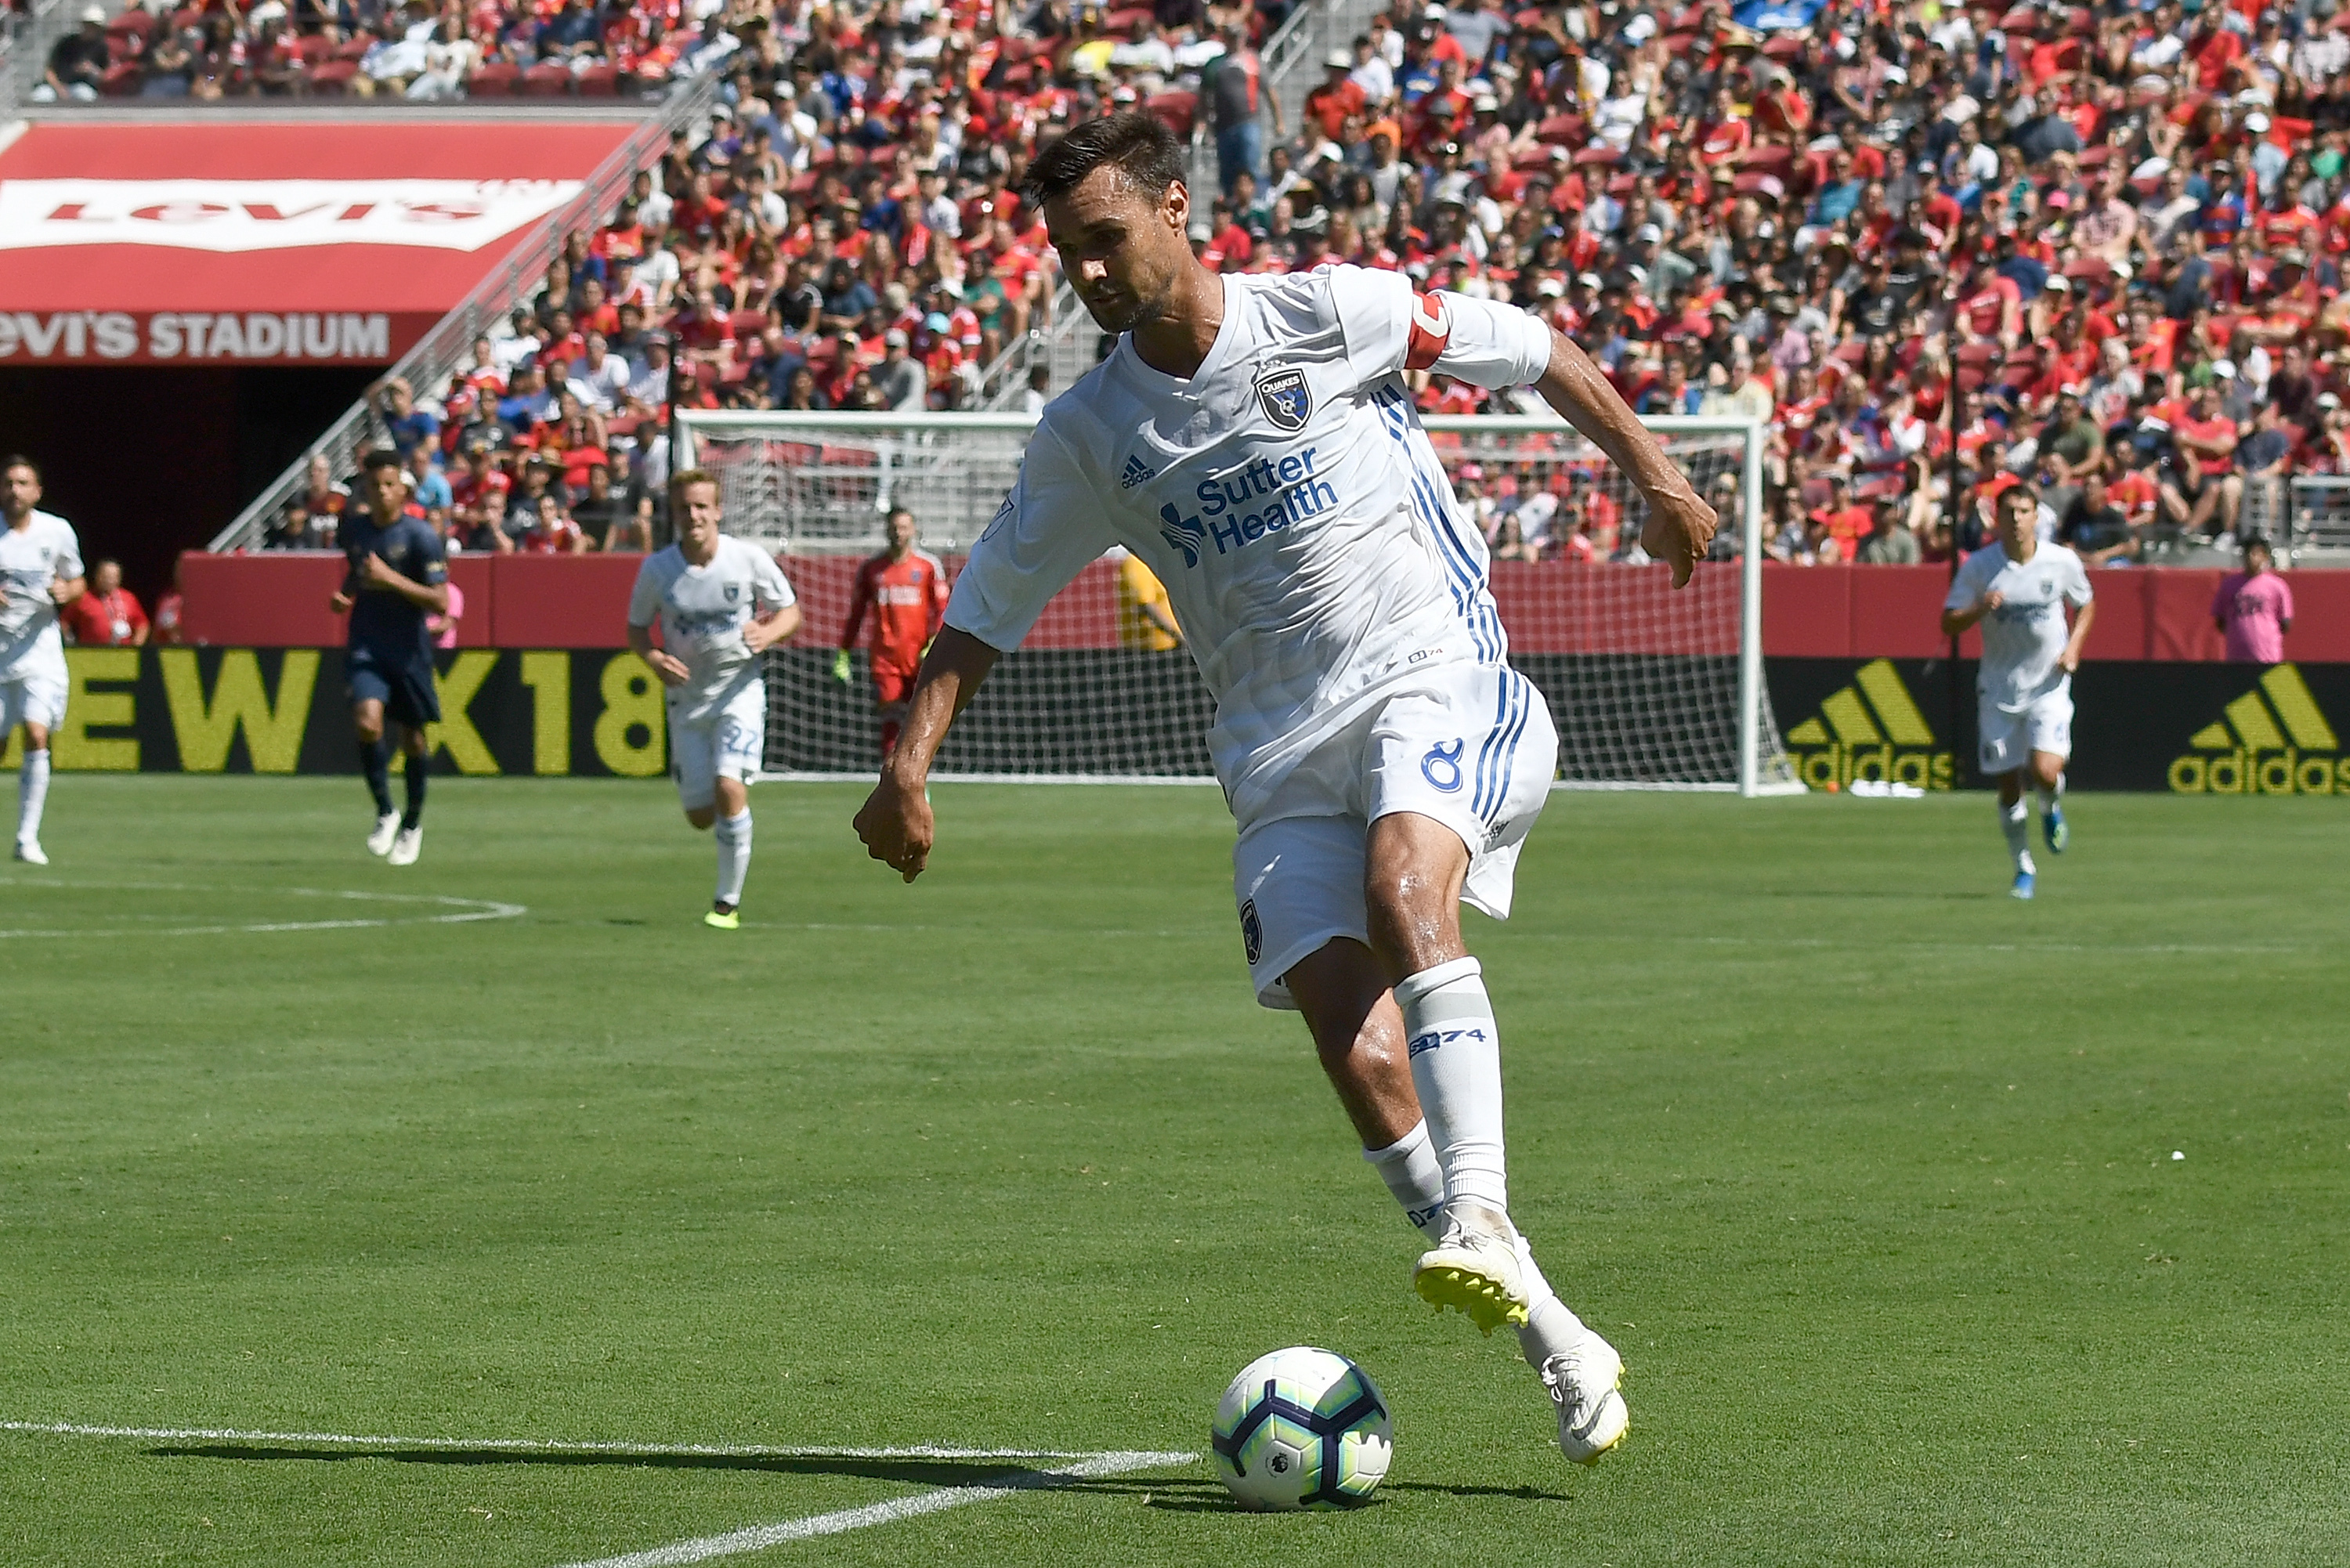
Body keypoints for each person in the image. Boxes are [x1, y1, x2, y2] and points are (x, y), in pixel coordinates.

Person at [852, 114, 1719, 1466]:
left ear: (1175, 209)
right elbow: (987, 602)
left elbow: (1535, 347)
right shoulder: (1090, 432)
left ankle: (1481, 1211)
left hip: (1435, 674)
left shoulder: (1331, 315)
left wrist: (1655, 472)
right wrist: (909, 757)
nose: (1085, 274)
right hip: (1276, 752)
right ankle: (1562, 1338)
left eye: (1105, 239)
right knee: (1357, 1049)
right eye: (1065, 252)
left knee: (1404, 887)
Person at [626, 470, 800, 929]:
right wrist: (654, 658)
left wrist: (768, 630)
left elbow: (790, 611)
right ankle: (726, 887)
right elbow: (636, 629)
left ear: (718, 510)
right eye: (685, 508)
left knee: (730, 785)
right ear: (675, 515)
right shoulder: (658, 570)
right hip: (687, 702)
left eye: (702, 506)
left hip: (738, 692)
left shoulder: (747, 559)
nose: (694, 515)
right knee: (700, 815)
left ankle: (727, 903)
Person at [1941, 482, 2096, 901]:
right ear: (1997, 517)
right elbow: (1948, 623)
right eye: (2008, 511)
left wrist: (2074, 648)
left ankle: (2050, 808)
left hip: (2048, 684)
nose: (2016, 520)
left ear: (2035, 516)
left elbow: (2086, 603)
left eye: (2023, 511)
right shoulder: (1979, 567)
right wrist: (1979, 609)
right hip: (1998, 688)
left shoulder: (2059, 561)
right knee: (2008, 785)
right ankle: (2023, 868)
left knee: (2045, 771)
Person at [331, 449, 450, 867]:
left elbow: (439, 600)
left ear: (403, 489)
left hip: (409, 649)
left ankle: (413, 823)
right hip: (367, 642)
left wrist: (390, 579)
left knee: (413, 739)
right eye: (373, 486)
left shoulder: (421, 537)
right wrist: (346, 594)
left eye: (389, 485)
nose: (381, 493)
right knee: (367, 721)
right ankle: (385, 810)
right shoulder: (354, 530)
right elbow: (357, 570)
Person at [1, 457, 85, 865]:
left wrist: (68, 592)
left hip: (39, 651)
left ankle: (26, 838)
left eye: (22, 483)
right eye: (8, 483)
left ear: (37, 491)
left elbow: (77, 580)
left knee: (37, 734)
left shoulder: (56, 531)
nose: (14, 490)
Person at [833, 508, 950, 758]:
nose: (899, 533)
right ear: (886, 530)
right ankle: (893, 782)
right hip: (885, 658)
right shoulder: (872, 569)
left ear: (913, 530)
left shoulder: (928, 566)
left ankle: (914, 781)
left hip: (919, 656)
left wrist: (935, 641)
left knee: (918, 722)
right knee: (891, 719)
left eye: (904, 527)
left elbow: (943, 610)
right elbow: (857, 614)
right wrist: (844, 653)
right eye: (894, 527)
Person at [2212, 537, 2294, 665]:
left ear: (2265, 557)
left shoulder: (2277, 586)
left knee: (2280, 684)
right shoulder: (2229, 585)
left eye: (2256, 553)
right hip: (2237, 656)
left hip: (2269, 656)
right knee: (2240, 685)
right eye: (2247, 553)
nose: (2251, 557)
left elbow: (2285, 623)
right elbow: (2220, 620)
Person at [61, 558, 150, 647]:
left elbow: (142, 625)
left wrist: (136, 647)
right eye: (106, 577)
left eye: (113, 577)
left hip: (123, 653)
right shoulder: (83, 598)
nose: (109, 580)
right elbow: (64, 622)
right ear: (97, 576)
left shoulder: (129, 598)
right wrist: (70, 643)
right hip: (91, 653)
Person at [1115, 547, 1182, 649]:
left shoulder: (1157, 562)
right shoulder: (1136, 563)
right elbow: (1146, 607)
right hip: (1149, 649)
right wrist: (1178, 636)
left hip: (1170, 646)